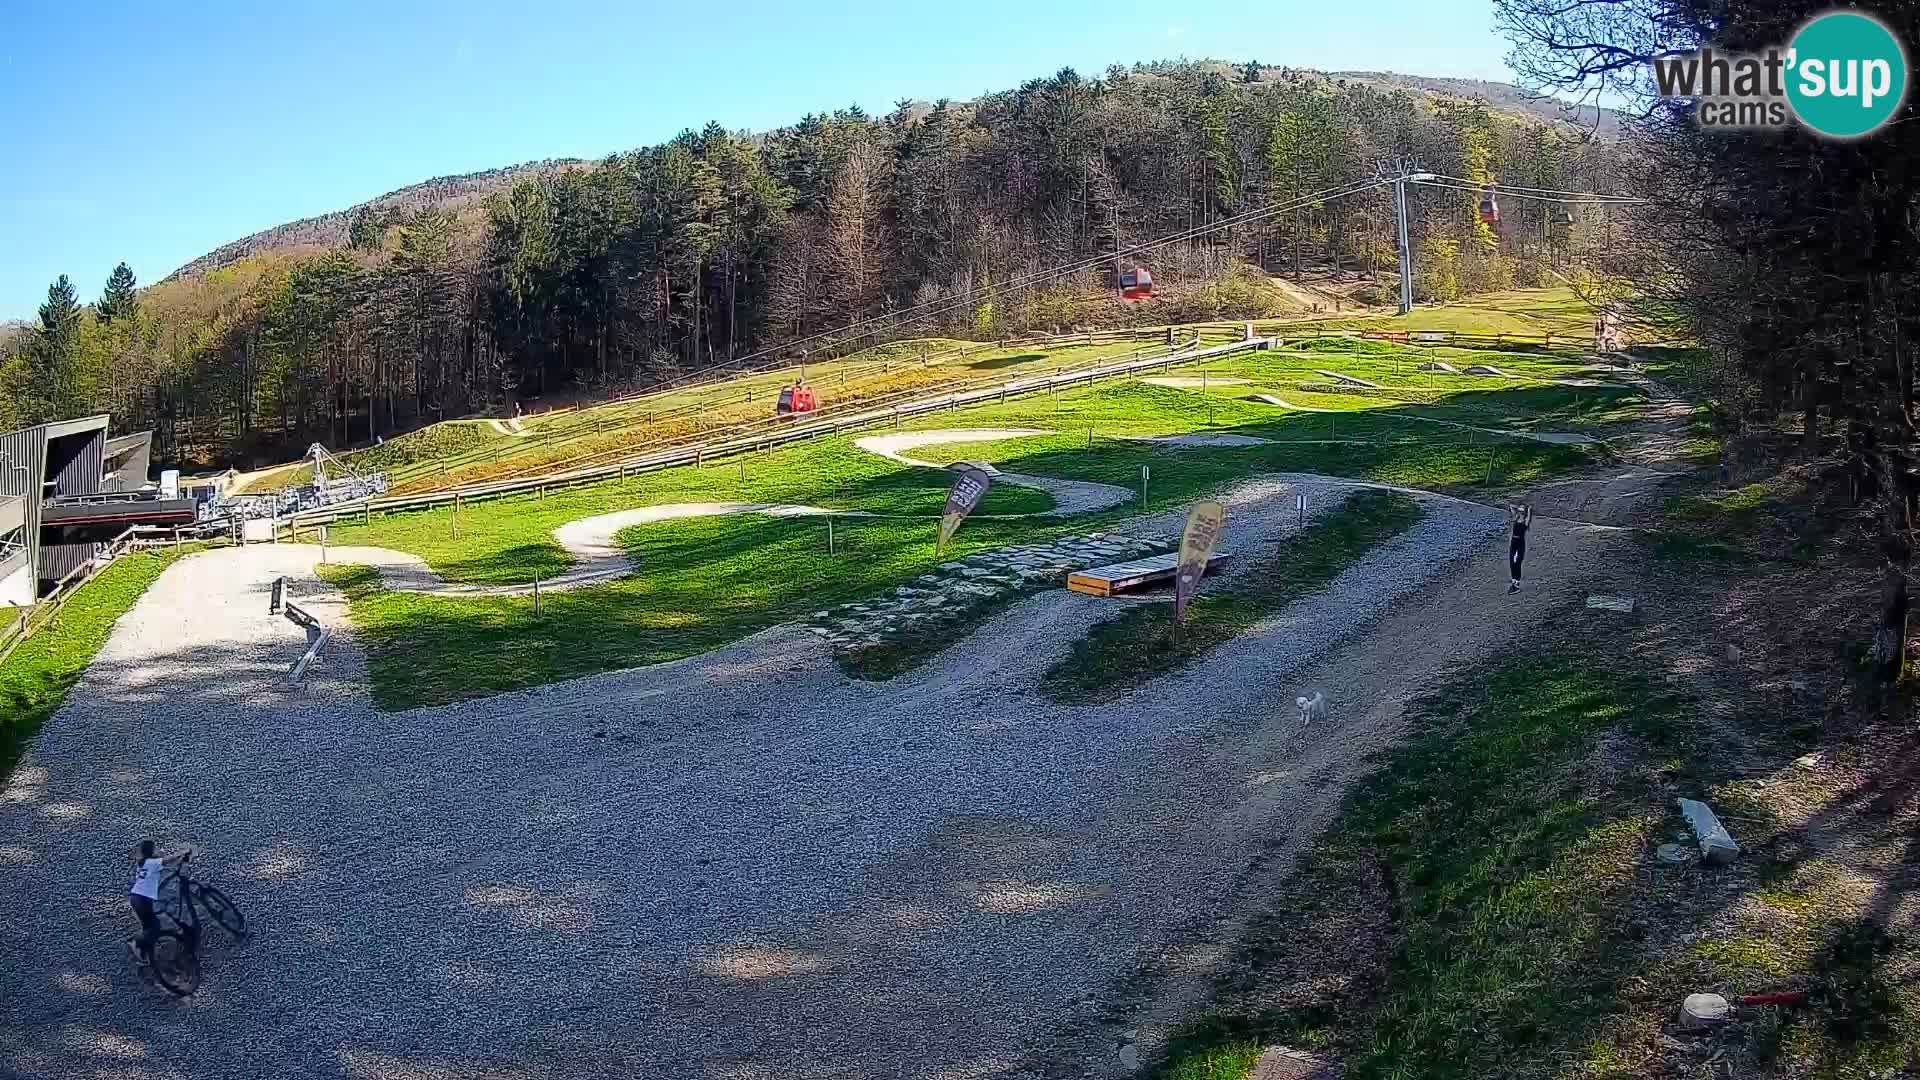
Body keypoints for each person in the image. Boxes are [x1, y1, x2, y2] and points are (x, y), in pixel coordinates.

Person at [127, 841, 190, 965]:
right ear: (151, 851)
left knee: (148, 926)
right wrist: (183, 852)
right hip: (142, 899)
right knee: (155, 926)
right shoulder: (152, 863)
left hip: (136, 897)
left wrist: (180, 861)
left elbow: (166, 865)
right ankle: (136, 942)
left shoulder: (143, 863)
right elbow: (168, 860)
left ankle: (143, 952)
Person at [1508, 503, 1532, 593]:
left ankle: (1516, 582)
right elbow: (1511, 506)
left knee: (1517, 561)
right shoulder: (1516, 517)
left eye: (1522, 511)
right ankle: (1514, 579)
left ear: (1524, 512)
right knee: (1511, 560)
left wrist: (1528, 510)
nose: (1520, 512)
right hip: (1513, 542)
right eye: (1520, 510)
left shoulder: (1525, 521)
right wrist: (1518, 507)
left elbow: (1529, 515)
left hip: (1520, 544)